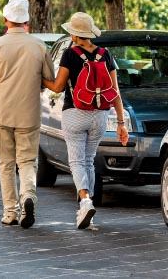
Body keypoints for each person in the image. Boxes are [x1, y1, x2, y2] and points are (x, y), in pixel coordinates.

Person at [42, 12, 129, 229]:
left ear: (74, 34)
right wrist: (121, 123)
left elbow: (58, 87)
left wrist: (40, 78)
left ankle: (85, 199)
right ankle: (87, 210)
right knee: (89, 160)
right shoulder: (105, 54)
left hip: (75, 112)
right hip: (100, 115)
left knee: (76, 161)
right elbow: (115, 92)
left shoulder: (70, 55)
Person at [0, 0, 54, 228]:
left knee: (6, 164)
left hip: (1, 113)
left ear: (6, 19)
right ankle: (28, 195)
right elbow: (48, 79)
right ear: (26, 21)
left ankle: (10, 212)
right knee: (28, 161)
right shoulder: (39, 46)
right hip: (28, 114)